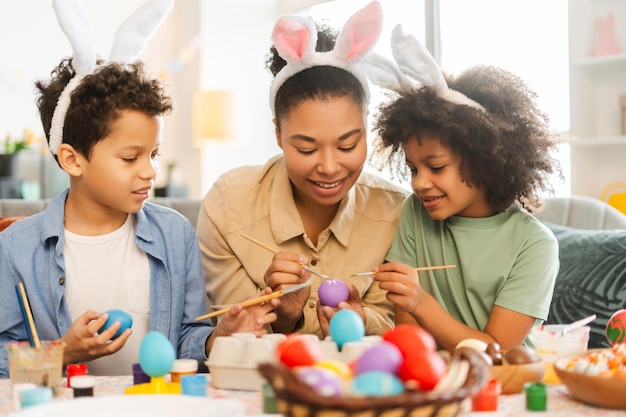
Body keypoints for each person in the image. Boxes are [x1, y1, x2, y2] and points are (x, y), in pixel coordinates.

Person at [0, 0, 277, 378]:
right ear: (72, 159)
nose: (150, 171)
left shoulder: (174, 233)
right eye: (130, 158)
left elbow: (186, 338)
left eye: (155, 154)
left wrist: (219, 338)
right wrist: (62, 352)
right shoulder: (16, 247)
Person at [197, 1, 409, 338]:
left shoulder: (398, 212)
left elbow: (400, 328)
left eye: (347, 145)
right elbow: (232, 333)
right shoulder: (228, 207)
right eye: (306, 148)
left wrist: (364, 323)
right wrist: (283, 318)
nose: (328, 167)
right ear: (278, 135)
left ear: (366, 130)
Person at [367, 26, 562, 351]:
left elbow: (495, 352)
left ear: (483, 158)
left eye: (437, 167)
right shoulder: (415, 212)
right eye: (413, 168)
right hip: (435, 377)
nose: (419, 183)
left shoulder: (535, 245)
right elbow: (409, 339)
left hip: (503, 387)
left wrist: (420, 301)